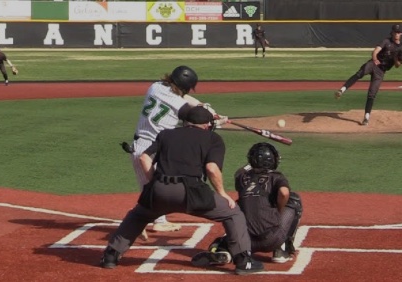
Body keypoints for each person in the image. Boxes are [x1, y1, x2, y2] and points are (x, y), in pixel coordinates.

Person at [101, 106, 264, 275]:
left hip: (160, 190)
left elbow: (143, 157)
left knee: (138, 215)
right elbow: (212, 169)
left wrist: (153, 183)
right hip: (192, 193)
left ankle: (110, 256)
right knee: (233, 213)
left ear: (186, 122)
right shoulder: (213, 138)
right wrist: (223, 194)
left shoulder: (166, 134)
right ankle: (243, 261)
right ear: (207, 125)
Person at [122, 65, 227, 236]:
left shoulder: (156, 87)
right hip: (151, 151)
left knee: (152, 189)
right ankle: (139, 219)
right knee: (155, 189)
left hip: (143, 146)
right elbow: (195, 118)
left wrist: (202, 105)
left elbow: (185, 100)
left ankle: (155, 220)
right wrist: (215, 119)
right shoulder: (179, 105)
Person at [191, 142, 303, 266]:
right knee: (294, 200)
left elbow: (244, 169)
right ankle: (281, 250)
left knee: (239, 212)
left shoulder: (241, 177)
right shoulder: (277, 177)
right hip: (272, 239)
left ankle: (225, 251)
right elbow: (284, 193)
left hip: (246, 241)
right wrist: (279, 210)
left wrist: (254, 161)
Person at [333, 24, 402, 126]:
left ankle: (366, 117)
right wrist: (375, 59)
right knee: (360, 73)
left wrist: (396, 58)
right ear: (392, 32)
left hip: (381, 71)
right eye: (395, 32)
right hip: (373, 64)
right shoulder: (386, 41)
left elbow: (397, 65)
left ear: (401, 34)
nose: (397, 33)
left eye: (398, 32)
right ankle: (341, 90)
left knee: (372, 93)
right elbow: (375, 51)